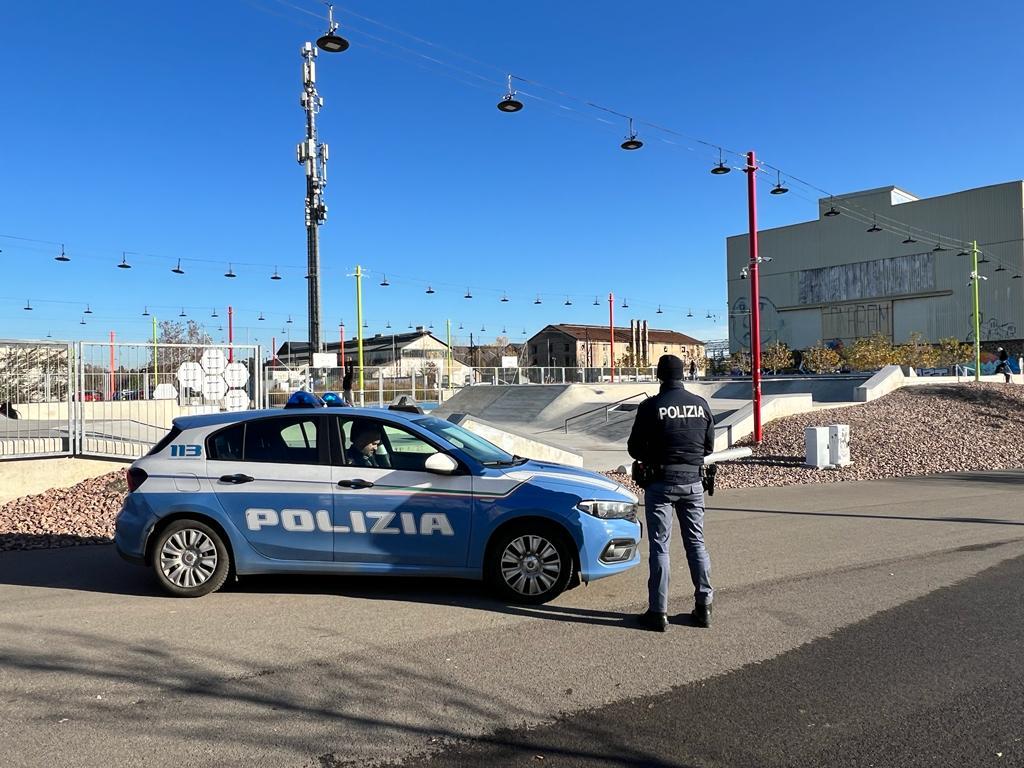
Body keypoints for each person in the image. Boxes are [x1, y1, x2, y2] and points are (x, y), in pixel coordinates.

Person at [627, 354, 715, 632]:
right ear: (683, 375)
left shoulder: (651, 406)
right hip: (693, 482)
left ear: (659, 376)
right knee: (696, 543)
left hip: (661, 483)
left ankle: (658, 612)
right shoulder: (700, 405)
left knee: (660, 547)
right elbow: (708, 447)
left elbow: (635, 448)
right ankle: (704, 607)